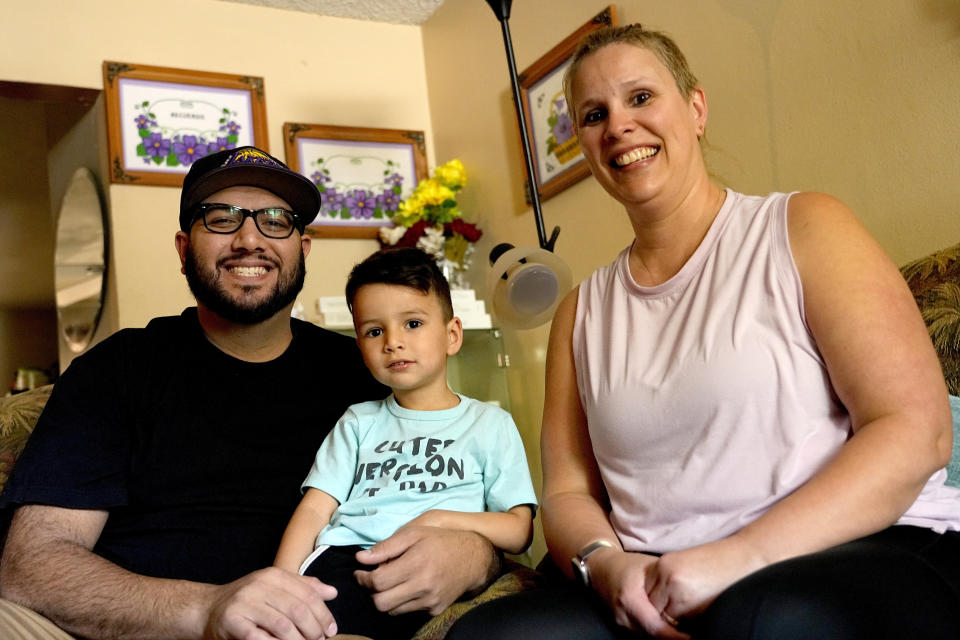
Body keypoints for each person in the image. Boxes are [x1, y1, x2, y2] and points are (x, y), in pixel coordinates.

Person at [446, 23, 960, 640]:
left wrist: (736, 558)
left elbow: (915, 430)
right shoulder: (580, 313)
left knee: (763, 621)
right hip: (655, 577)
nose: (618, 126)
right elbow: (567, 491)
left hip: (854, 548)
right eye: (593, 114)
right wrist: (606, 565)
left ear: (695, 108)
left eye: (640, 98)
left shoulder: (804, 227)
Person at [0, 147, 504, 640]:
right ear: (183, 249)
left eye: (276, 220)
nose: (249, 239)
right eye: (221, 217)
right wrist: (205, 609)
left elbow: (470, 493)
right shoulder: (117, 370)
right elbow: (33, 565)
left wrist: (472, 554)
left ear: (301, 251)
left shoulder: (370, 373)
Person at [274, 247, 537, 639]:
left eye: (412, 323)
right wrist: (278, 584)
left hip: (440, 565)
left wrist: (440, 519)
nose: (393, 342)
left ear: (452, 335)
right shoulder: (358, 421)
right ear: (361, 349)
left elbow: (519, 530)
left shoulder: (490, 424)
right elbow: (314, 511)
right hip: (350, 562)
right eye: (374, 331)